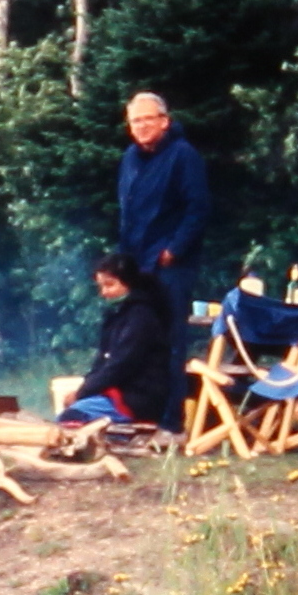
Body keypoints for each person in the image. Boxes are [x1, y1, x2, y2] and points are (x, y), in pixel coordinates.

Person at [116, 91, 208, 435]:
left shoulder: (183, 156)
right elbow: (126, 215)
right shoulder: (130, 159)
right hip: (137, 265)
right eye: (134, 121)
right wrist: (123, 265)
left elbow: (197, 209)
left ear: (164, 121)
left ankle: (172, 423)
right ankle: (142, 414)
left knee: (171, 341)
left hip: (171, 266)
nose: (140, 127)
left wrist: (174, 250)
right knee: (139, 339)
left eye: (146, 119)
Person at [56, 253, 172, 426]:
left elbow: (122, 364)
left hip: (137, 396)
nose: (104, 293)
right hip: (119, 390)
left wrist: (82, 393)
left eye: (110, 285)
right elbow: (102, 362)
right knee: (71, 413)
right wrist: (84, 389)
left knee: (70, 418)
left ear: (128, 282)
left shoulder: (141, 317)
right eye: (101, 287)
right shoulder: (118, 314)